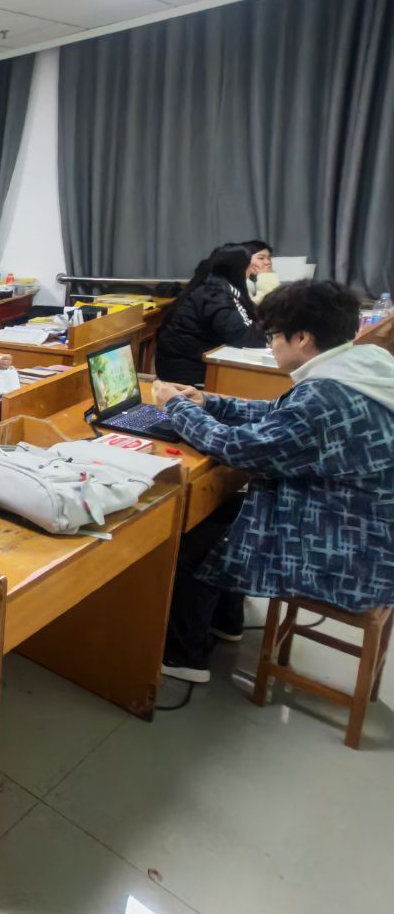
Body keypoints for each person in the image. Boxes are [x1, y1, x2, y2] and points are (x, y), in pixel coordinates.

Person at [151, 280, 394, 683]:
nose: (270, 345)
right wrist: (209, 402)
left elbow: (237, 448)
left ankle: (184, 657)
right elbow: (282, 416)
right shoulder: (363, 365)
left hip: (346, 552)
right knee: (222, 513)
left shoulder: (325, 396)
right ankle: (225, 621)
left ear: (302, 338)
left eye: (273, 336)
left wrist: (175, 406)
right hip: (368, 529)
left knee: (192, 536)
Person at [155, 244, 265, 386]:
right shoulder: (215, 292)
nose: (252, 271)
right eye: (248, 266)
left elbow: (247, 325)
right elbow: (244, 337)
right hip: (187, 374)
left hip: (188, 364)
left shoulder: (218, 284)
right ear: (238, 267)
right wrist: (266, 335)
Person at [242, 239, 279, 304]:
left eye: (269, 258)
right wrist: (267, 280)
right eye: (261, 258)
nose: (268, 262)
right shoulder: (230, 289)